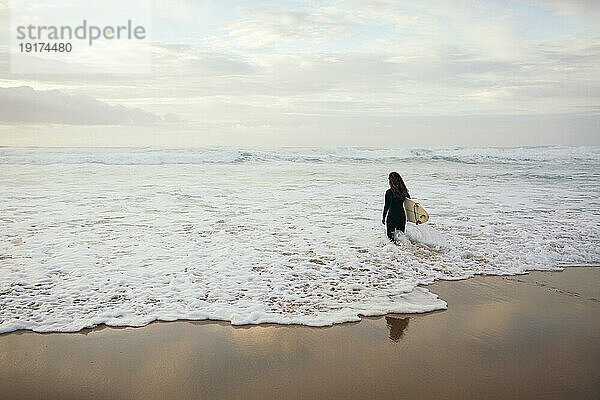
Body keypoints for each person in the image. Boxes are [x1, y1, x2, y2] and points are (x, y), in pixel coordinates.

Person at [382, 172, 410, 242]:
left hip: (392, 217)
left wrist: (383, 217)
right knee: (401, 237)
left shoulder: (389, 192)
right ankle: (403, 251)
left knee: (390, 238)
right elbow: (409, 206)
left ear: (391, 181)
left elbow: (386, 206)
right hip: (401, 217)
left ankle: (394, 252)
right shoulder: (404, 192)